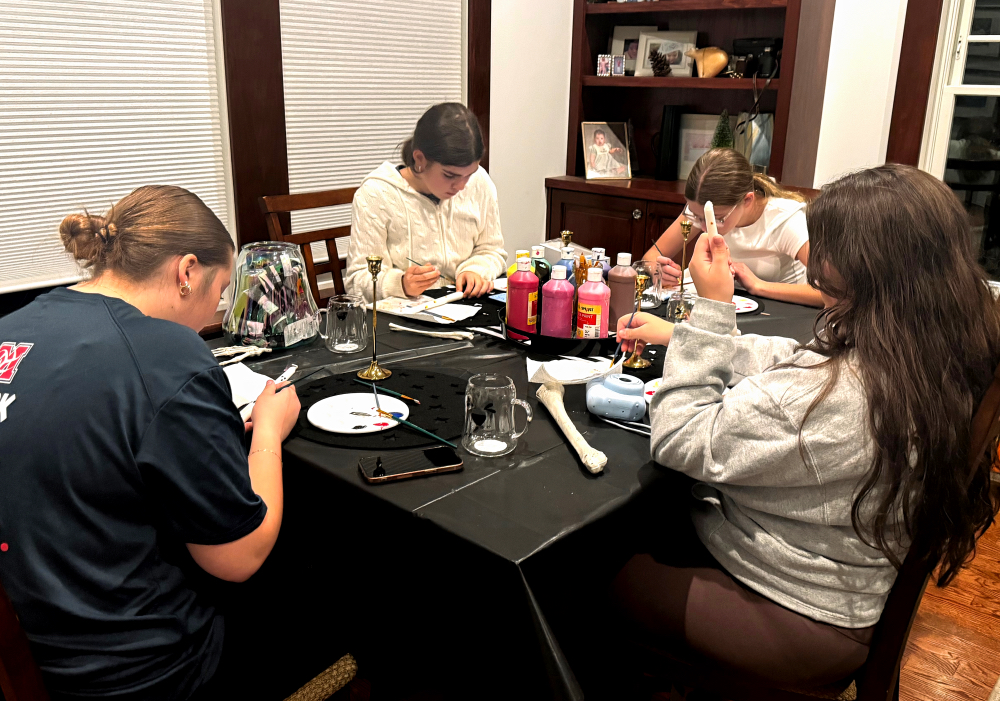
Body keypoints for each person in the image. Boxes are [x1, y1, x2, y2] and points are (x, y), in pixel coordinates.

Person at [611, 165, 1000, 687]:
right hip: (843, 577)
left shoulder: (833, 399)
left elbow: (679, 438)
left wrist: (711, 311)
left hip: (794, 612)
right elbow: (801, 357)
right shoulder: (927, 346)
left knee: (580, 568)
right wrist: (687, 336)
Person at [0, 186, 304, 700]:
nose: (215, 310)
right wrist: (269, 432)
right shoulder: (166, 354)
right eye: (221, 289)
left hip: (31, 644)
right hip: (140, 672)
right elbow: (238, 558)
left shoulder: (16, 325)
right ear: (187, 272)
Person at [346, 102, 507, 301]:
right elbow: (357, 282)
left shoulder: (480, 182)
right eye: (450, 175)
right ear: (420, 159)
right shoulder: (376, 194)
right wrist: (401, 284)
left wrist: (475, 271)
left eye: (469, 175)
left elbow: (492, 250)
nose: (462, 186)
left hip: (465, 307)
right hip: (406, 319)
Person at [643, 147, 823, 307]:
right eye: (697, 217)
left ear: (747, 200)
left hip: (774, 313)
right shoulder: (702, 210)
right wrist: (658, 271)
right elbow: (651, 256)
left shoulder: (785, 220)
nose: (704, 227)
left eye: (718, 219)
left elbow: (833, 293)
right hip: (713, 302)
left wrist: (758, 285)